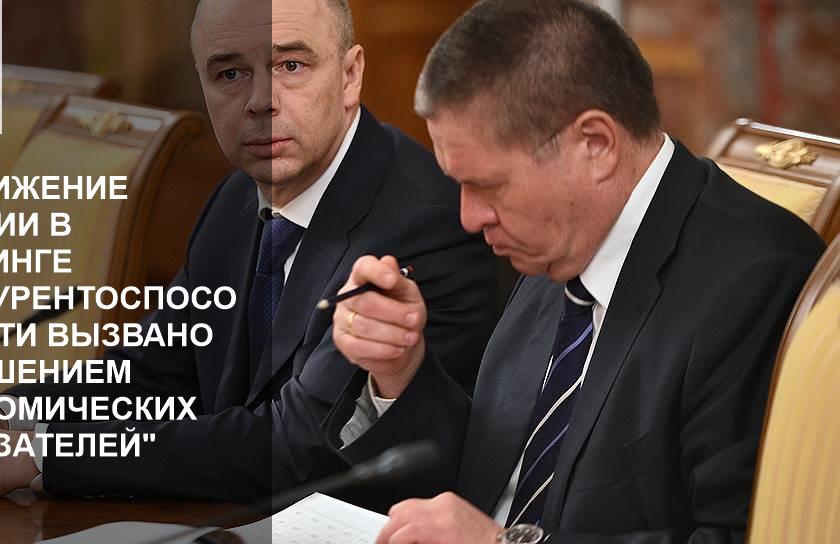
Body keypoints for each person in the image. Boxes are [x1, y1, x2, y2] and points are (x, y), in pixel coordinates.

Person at [0, 0, 501, 503]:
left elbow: (299, 445)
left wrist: (39, 453)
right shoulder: (239, 195)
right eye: (230, 73)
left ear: (350, 74)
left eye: (291, 66)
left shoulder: (423, 226)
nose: (261, 100)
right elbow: (155, 370)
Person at [325, 0, 826, 542]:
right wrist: (401, 369)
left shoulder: (754, 283)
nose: (469, 217)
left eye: (488, 186)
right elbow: (488, 467)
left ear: (596, 144)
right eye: (459, 184)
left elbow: (734, 536)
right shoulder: (561, 234)